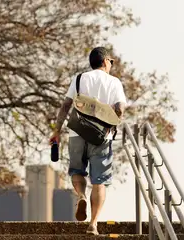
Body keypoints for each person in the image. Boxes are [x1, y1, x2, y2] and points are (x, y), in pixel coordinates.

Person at [49, 47, 127, 235]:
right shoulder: (114, 82)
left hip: (77, 133)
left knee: (77, 171)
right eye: (111, 62)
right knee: (99, 182)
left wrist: (56, 131)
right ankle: (93, 224)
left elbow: (66, 105)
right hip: (102, 137)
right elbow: (120, 109)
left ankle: (81, 196)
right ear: (106, 61)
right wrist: (112, 121)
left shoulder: (79, 79)